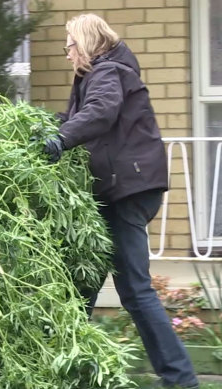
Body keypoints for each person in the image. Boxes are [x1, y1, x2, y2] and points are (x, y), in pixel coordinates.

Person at [42, 14, 199, 389]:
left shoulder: (109, 73)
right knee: (82, 280)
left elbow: (99, 112)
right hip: (115, 191)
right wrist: (41, 128)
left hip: (127, 191)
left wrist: (61, 140)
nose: (67, 54)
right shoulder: (96, 75)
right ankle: (63, 370)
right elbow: (74, 116)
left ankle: (181, 380)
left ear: (86, 43)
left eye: (70, 44)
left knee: (134, 289)